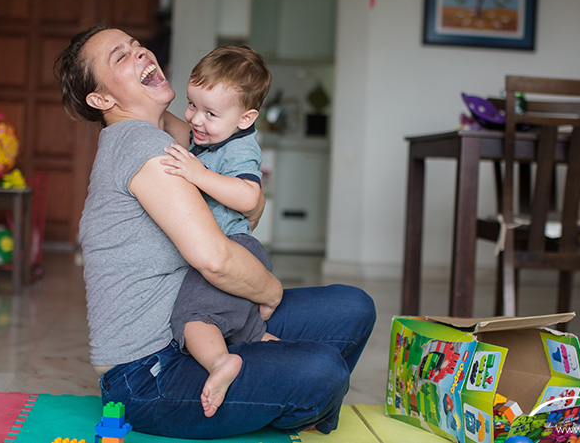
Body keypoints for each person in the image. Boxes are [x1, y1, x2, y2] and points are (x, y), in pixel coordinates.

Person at [56, 25, 376, 439]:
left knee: (351, 307)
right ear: (101, 99)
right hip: (149, 373)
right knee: (323, 369)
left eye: (136, 45)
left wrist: (254, 198)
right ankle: (282, 397)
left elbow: (240, 183)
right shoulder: (138, 144)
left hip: (208, 320)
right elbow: (216, 260)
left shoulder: (160, 133)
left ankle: (269, 391)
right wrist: (270, 292)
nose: (140, 53)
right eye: (121, 56)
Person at [161, 45, 278, 418]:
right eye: (193, 104)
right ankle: (269, 348)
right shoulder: (212, 135)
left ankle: (219, 364)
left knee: (193, 318)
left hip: (235, 248)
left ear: (246, 119)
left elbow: (249, 195)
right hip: (228, 247)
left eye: (210, 113)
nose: (196, 119)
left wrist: (199, 175)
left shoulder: (241, 149)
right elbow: (169, 123)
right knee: (235, 321)